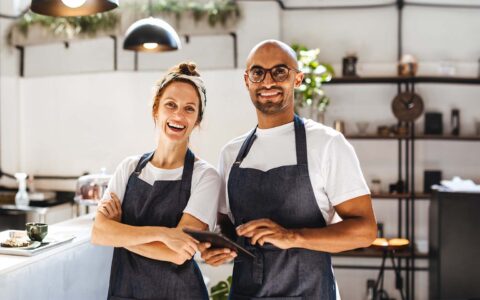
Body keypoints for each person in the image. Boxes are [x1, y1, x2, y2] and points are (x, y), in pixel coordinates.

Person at [200, 40, 377, 299]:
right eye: (258, 72)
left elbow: (365, 231)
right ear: (247, 80)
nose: (268, 81)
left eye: (280, 71)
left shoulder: (327, 144)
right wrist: (218, 246)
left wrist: (293, 236)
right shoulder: (232, 153)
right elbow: (226, 224)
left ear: (298, 79)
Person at [91, 62, 221, 300]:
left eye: (189, 109)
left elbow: (178, 253)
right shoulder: (129, 168)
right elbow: (99, 233)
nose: (178, 115)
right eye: (170, 105)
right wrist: (164, 234)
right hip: (125, 292)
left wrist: (120, 232)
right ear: (155, 110)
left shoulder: (205, 176)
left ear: (197, 120)